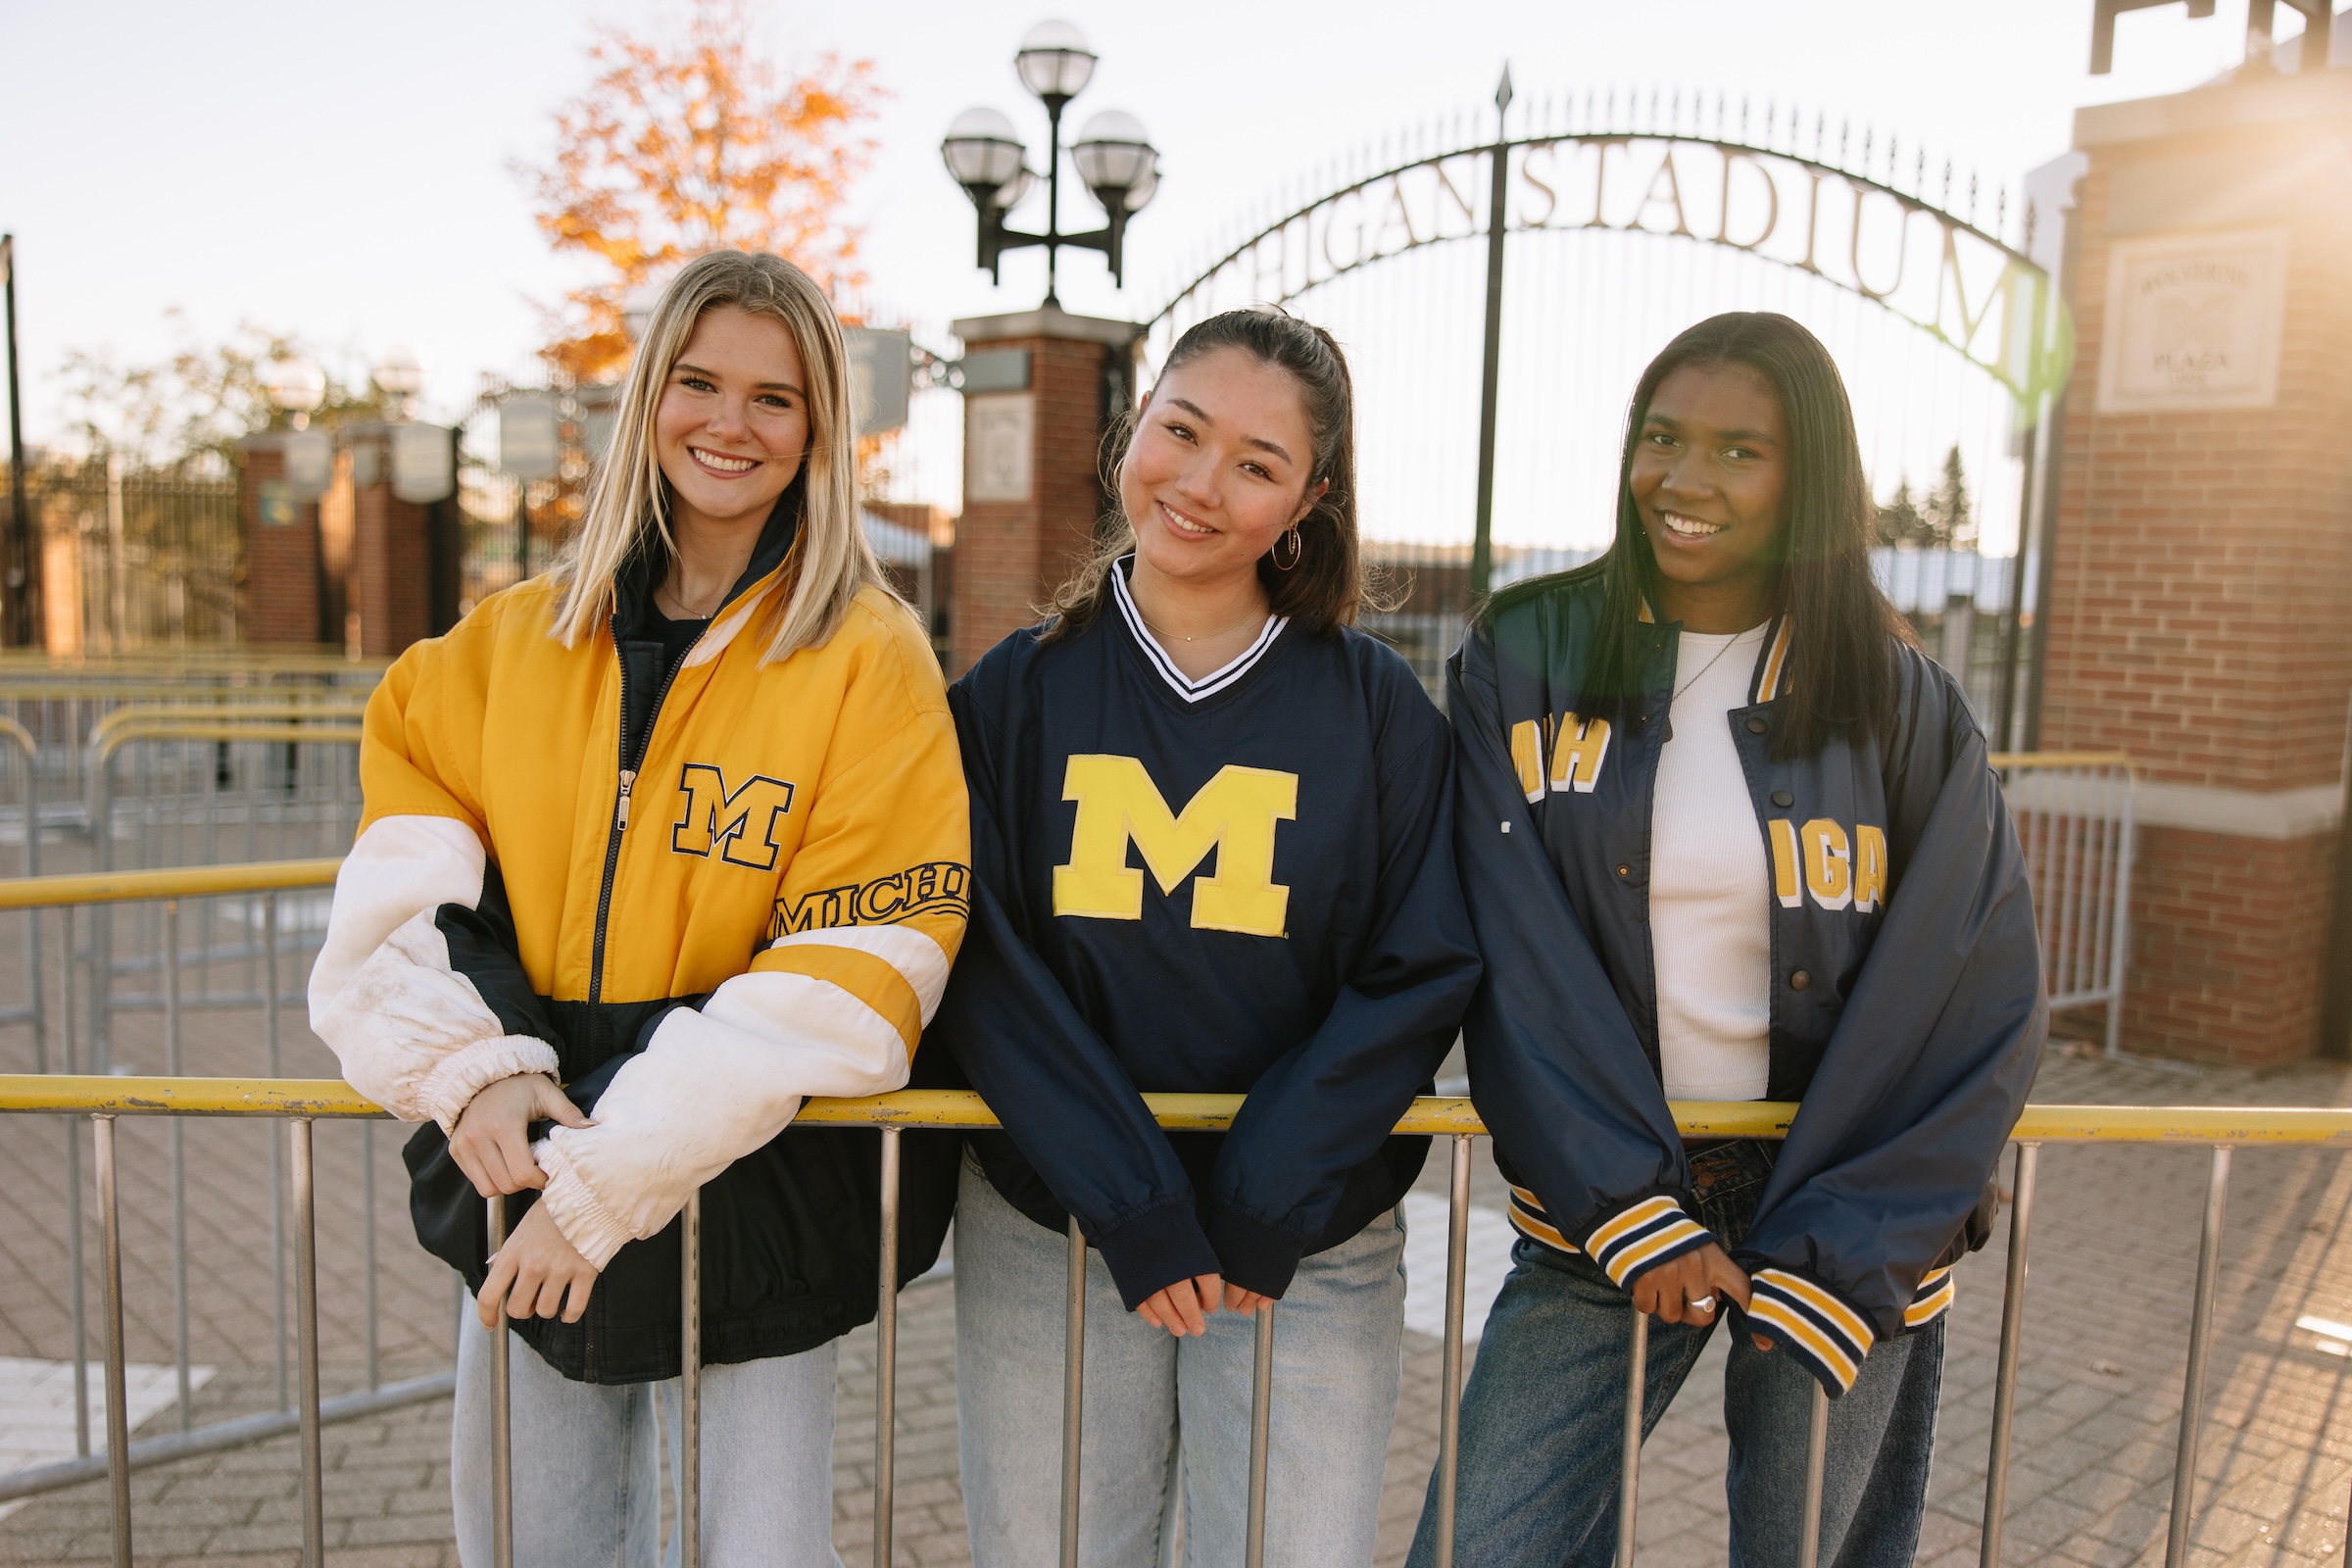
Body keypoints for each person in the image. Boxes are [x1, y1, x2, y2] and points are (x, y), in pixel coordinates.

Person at [308, 249, 969, 1568]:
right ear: (648, 399)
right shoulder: (500, 650)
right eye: (699, 382)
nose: (731, 424)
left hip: (747, 1184)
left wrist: (607, 1182)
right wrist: (478, 1070)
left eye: (775, 398)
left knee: (757, 1551)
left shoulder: (870, 659)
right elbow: (411, 893)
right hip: (522, 1162)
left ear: (821, 427)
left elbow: (856, 969)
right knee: (529, 1543)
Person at [1412, 311, 2044, 1568]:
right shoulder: (1526, 651)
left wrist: (1845, 1246)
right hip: (1608, 1211)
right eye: (1663, 436)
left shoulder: (1898, 697)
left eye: (1740, 451)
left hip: (1845, 1219)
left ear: (1808, 476)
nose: (1686, 480)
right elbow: (1515, 951)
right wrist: (1632, 1212)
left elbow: (1971, 991)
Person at [927, 307, 1480, 1566]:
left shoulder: (1379, 713)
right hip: (1053, 1226)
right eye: (1182, 430)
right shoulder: (1011, 696)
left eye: (1256, 463)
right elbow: (980, 962)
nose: (1201, 483)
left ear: (1310, 499)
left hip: (1299, 1244)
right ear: (1133, 429)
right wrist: (1130, 1199)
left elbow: (1418, 971)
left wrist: (1257, 1197)